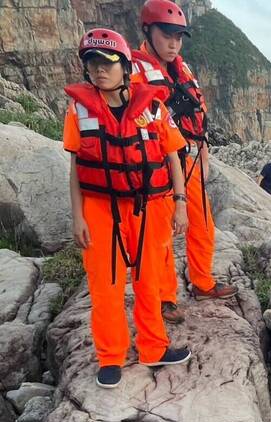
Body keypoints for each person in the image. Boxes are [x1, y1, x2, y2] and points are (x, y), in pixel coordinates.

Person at [64, 28, 191, 388]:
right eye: (92, 63)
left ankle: (153, 347)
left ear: (124, 66)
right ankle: (111, 356)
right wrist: (78, 217)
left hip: (150, 206)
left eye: (107, 62)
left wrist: (180, 205)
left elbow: (172, 156)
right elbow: (76, 168)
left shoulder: (152, 107)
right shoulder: (79, 111)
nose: (99, 70)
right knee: (106, 286)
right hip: (100, 208)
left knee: (150, 280)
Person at [132, 0, 238, 326]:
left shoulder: (182, 68)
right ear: (149, 32)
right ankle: (164, 297)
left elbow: (199, 113)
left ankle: (202, 282)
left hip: (189, 158)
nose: (174, 43)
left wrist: (203, 156)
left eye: (178, 36)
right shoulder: (135, 71)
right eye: (167, 35)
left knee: (202, 223)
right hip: (159, 164)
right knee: (161, 235)